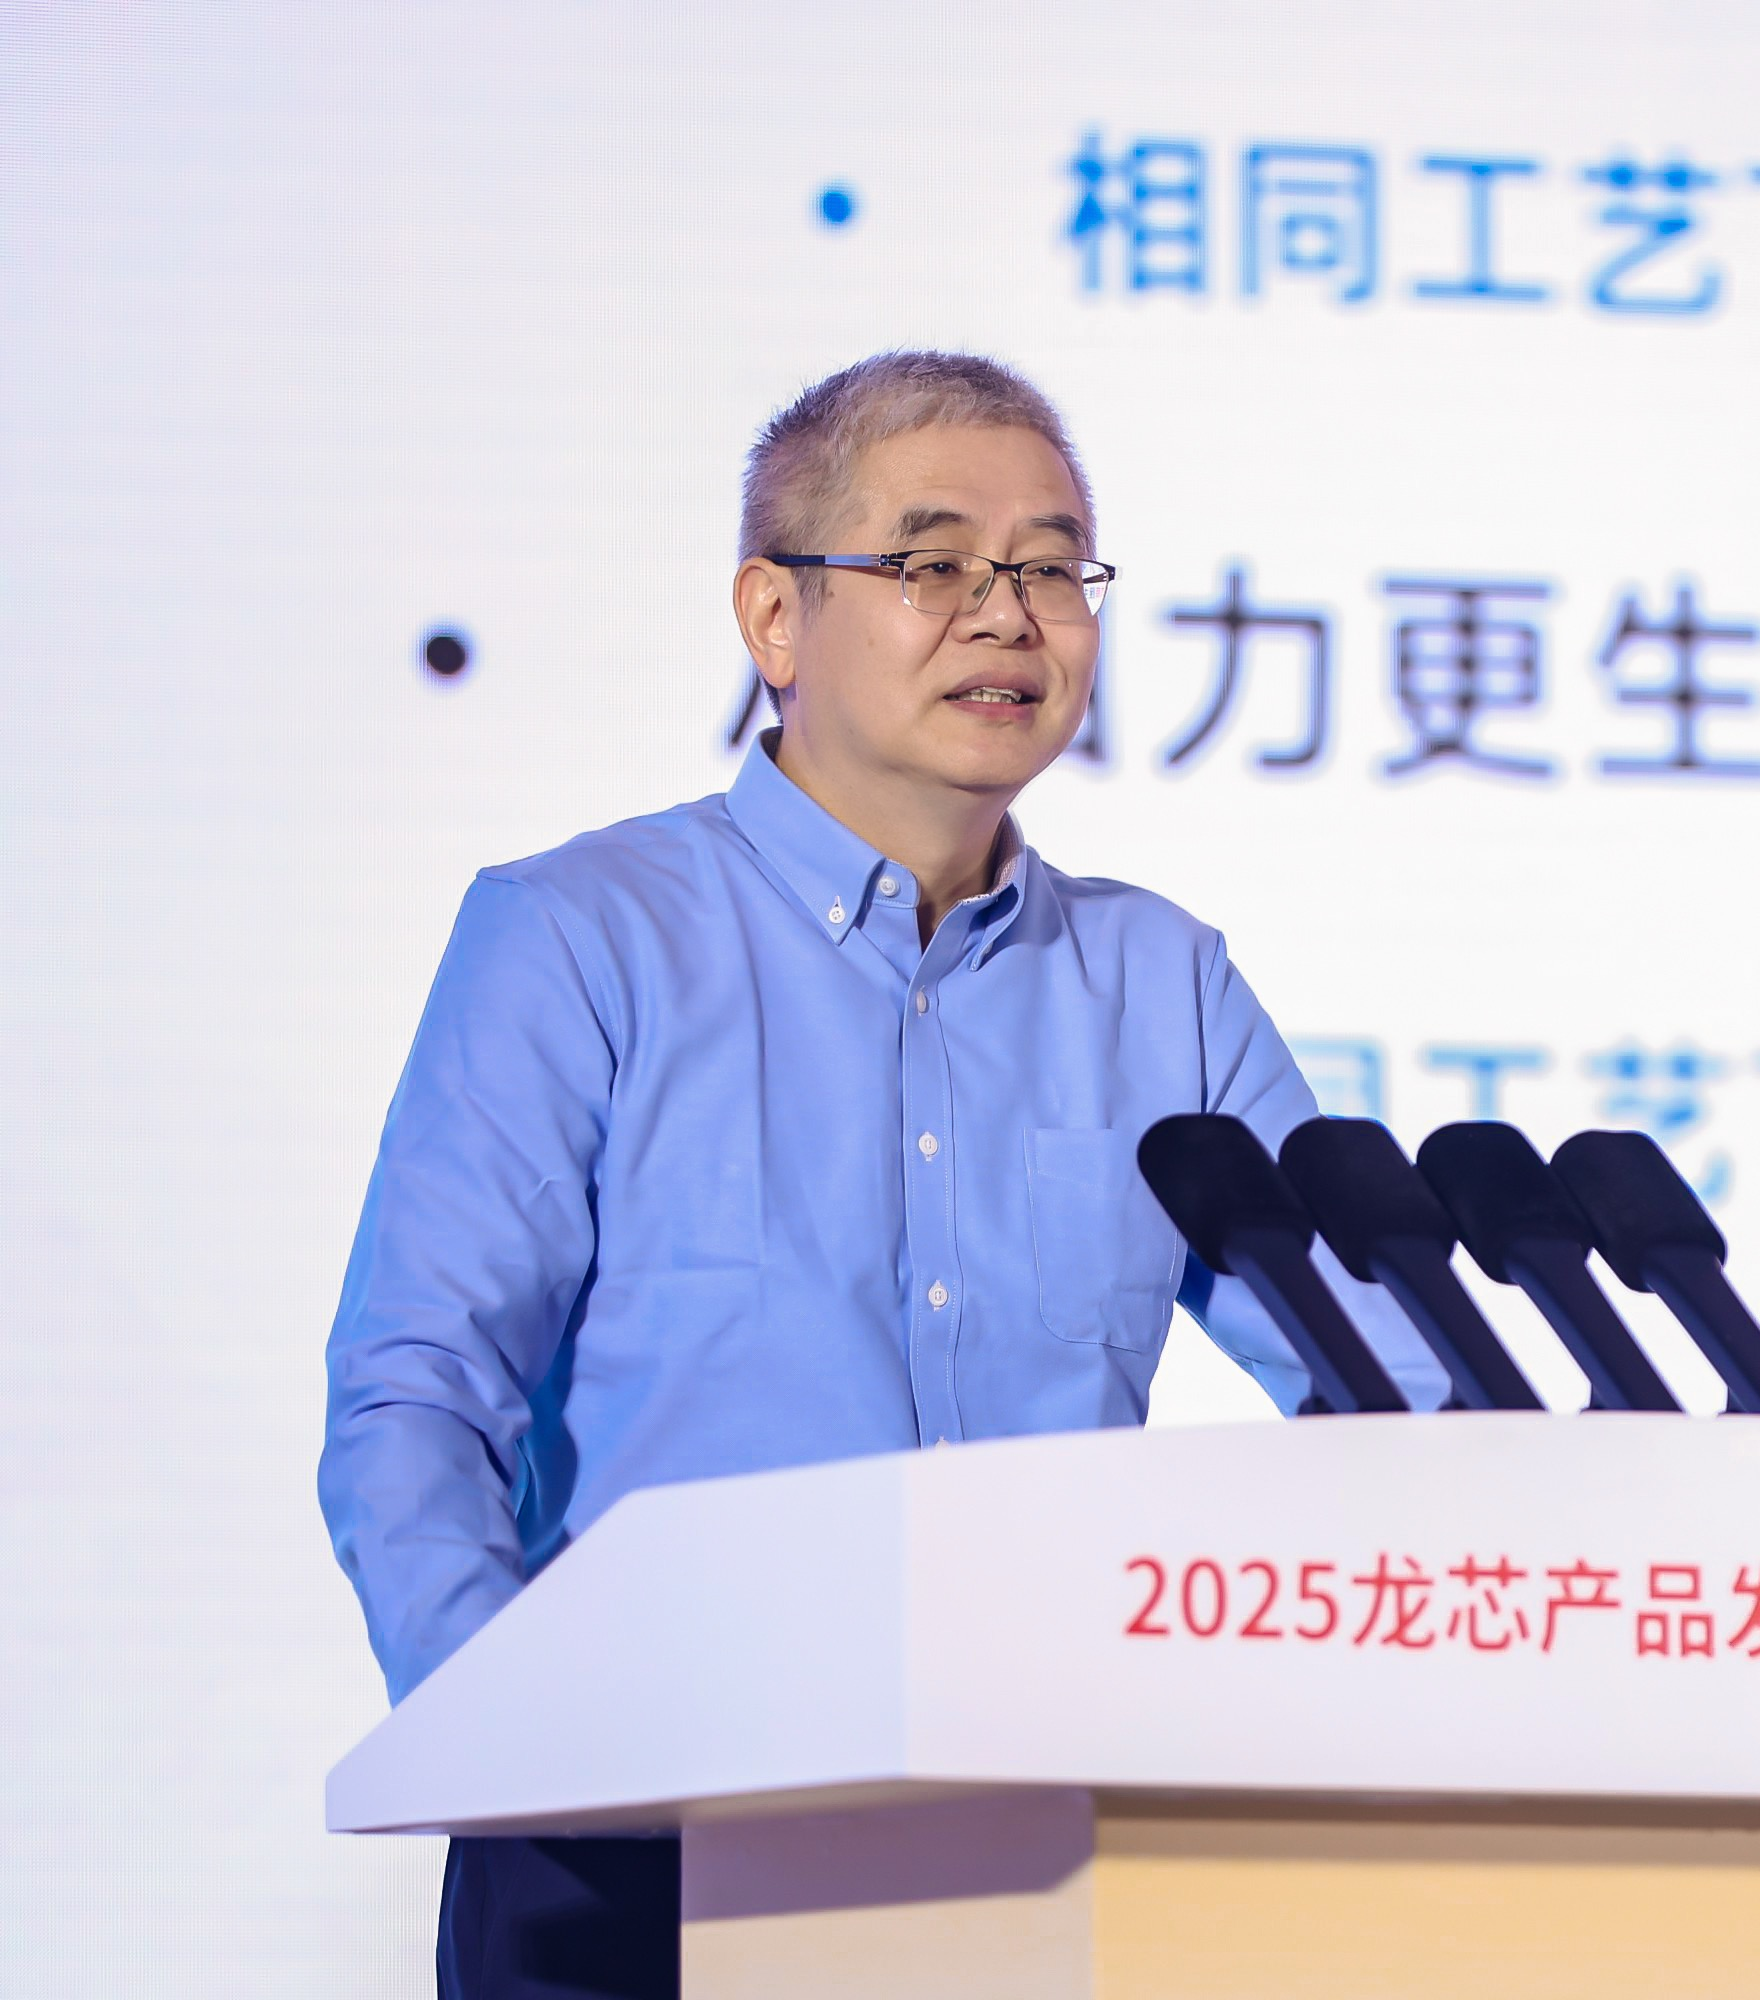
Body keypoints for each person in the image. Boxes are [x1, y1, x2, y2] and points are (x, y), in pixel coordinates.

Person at [318, 350, 1443, 1999]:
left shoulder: (1165, 985)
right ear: (774, 619)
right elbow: (419, 1393)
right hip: (641, 1846)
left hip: (1045, 1854)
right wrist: (515, 1737)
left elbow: (1393, 1390)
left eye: (1051, 570)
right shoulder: (582, 938)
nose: (1008, 617)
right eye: (935, 566)